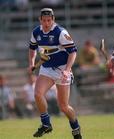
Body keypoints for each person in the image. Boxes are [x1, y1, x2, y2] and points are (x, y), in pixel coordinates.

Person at [28, 8, 82, 139]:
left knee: (63, 106)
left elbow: (73, 52)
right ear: (40, 20)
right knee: (37, 94)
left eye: (49, 20)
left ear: (53, 19)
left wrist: (67, 70)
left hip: (62, 70)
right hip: (46, 69)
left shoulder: (61, 32)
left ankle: (75, 127)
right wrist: (31, 62)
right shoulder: (36, 32)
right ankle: (46, 124)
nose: (46, 23)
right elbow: (32, 49)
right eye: (44, 20)